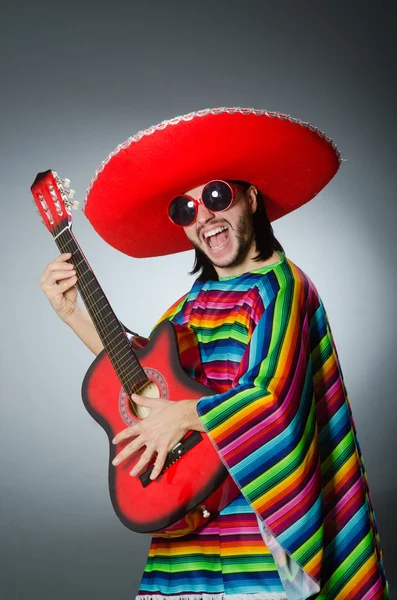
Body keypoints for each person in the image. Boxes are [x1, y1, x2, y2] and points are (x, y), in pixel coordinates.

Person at [40, 108, 389, 599]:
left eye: (216, 195)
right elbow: (142, 377)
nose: (203, 216)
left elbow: (272, 400)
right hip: (188, 528)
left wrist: (181, 416)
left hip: (261, 525)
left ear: (249, 196)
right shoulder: (189, 307)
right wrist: (74, 313)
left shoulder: (281, 288)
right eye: (185, 209)